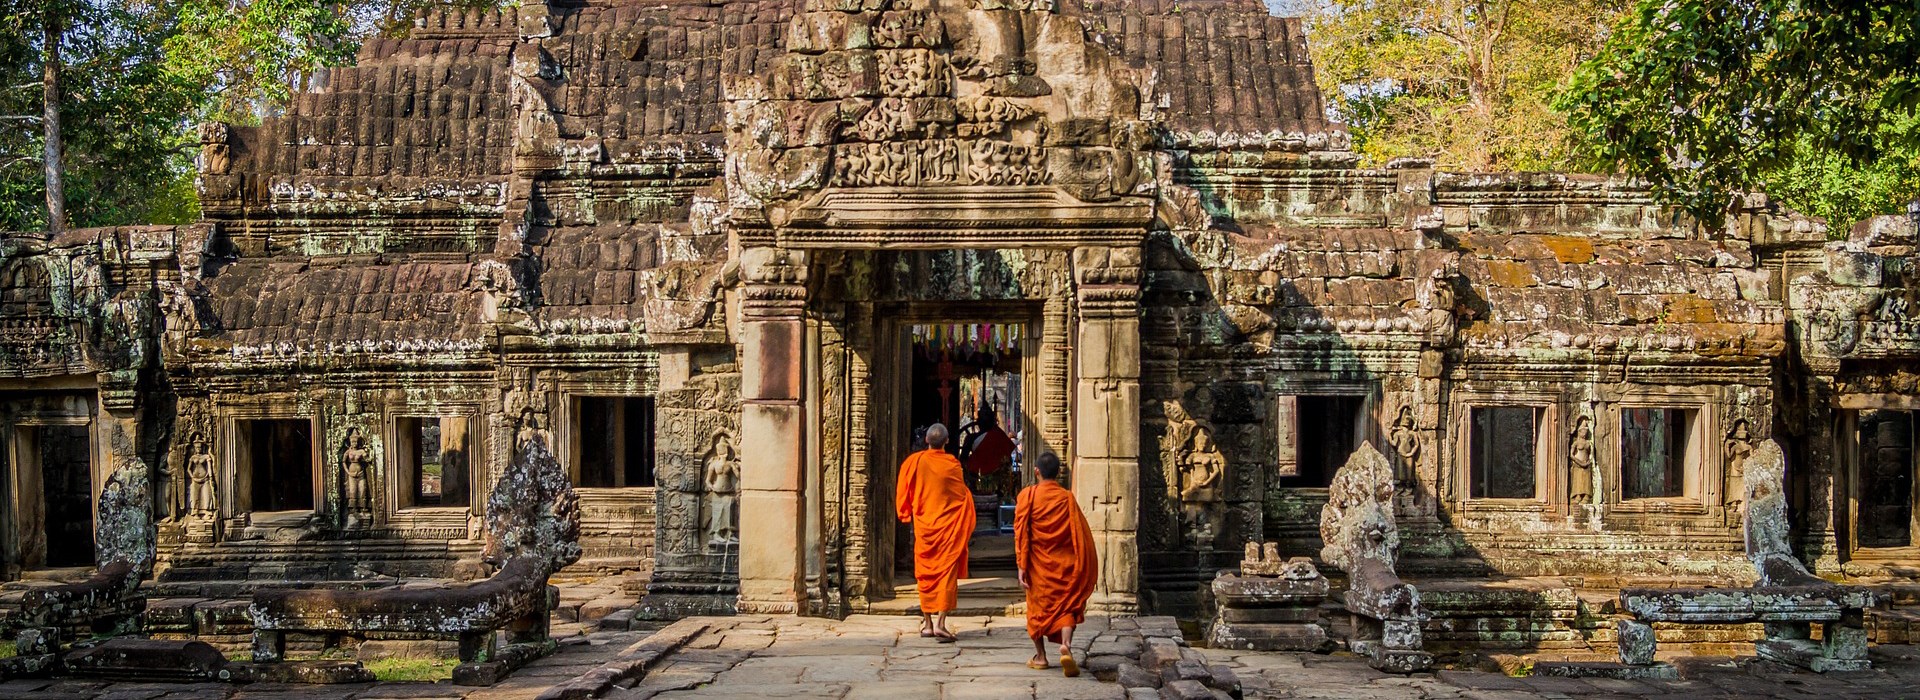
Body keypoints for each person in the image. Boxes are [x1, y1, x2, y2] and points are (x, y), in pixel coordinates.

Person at [1016, 452, 1097, 676]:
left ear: (1036, 472)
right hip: (1065, 563)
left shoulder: (1028, 496)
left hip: (1037, 564)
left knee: (1037, 610)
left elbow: (1022, 533)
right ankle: (1066, 647)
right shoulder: (1067, 498)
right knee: (1066, 605)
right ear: (1059, 473)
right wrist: (1083, 562)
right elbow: (1079, 534)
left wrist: (1022, 565)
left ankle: (1041, 657)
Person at [896, 423, 972, 642]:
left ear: (926, 440)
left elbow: (903, 492)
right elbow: (962, 496)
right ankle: (940, 622)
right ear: (947, 442)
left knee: (925, 575)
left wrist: (905, 512)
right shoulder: (952, 465)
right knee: (946, 574)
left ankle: (928, 623)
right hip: (947, 529)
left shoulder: (913, 463)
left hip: (925, 528)